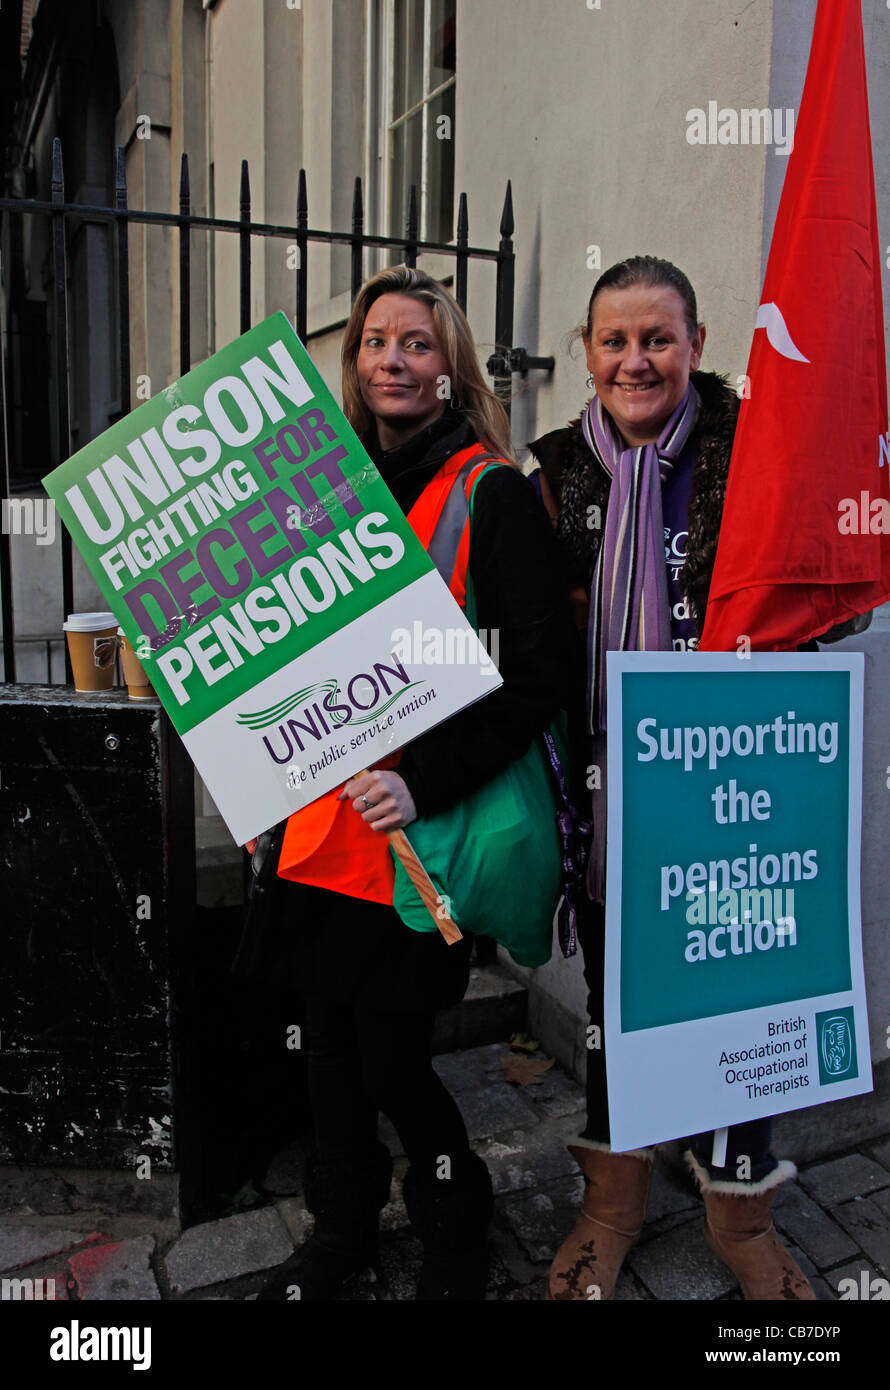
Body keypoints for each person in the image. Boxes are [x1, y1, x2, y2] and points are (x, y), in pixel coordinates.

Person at [527, 255, 867, 1303]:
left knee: (744, 982)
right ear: (586, 355)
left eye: (657, 338)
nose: (636, 359)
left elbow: (830, 596)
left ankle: (739, 1208)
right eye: (614, 340)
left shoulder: (756, 452)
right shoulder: (544, 475)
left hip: (735, 786)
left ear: (696, 346)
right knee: (616, 993)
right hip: (606, 786)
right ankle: (611, 1203)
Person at [256, 265, 577, 1301]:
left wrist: (424, 782)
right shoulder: (323, 493)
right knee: (327, 1063)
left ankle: (454, 1224)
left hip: (414, 844)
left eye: (416, 343)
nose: (392, 359)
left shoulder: (489, 490)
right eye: (374, 343)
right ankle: (337, 1233)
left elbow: (537, 674)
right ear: (353, 365)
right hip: (313, 832)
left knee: (392, 1059)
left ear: (452, 369)